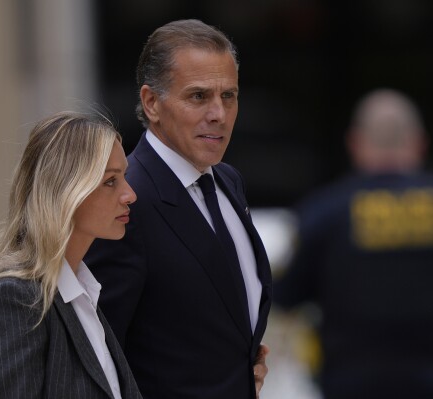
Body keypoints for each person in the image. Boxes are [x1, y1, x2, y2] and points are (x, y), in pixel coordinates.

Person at [85, 19, 272, 399]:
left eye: (229, 96)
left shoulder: (227, 181)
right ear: (151, 103)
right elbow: (97, 356)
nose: (219, 114)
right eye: (199, 97)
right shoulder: (125, 198)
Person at [0, 111, 142, 399]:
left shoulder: (83, 294)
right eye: (110, 181)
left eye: (124, 177)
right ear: (66, 190)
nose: (130, 194)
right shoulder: (14, 299)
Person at [274, 88, 433, 398]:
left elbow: (283, 298)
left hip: (350, 384)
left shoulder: (323, 213)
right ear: (419, 142)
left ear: (355, 143)